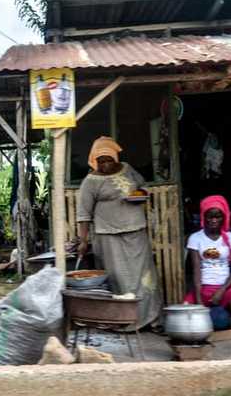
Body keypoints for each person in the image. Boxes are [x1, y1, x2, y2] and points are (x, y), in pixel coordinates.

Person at [76, 136, 163, 330]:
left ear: (116, 158)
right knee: (119, 278)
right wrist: (83, 240)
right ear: (94, 161)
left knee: (144, 276)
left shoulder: (127, 169)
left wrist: (140, 194)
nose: (105, 165)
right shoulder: (90, 182)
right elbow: (83, 214)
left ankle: (150, 317)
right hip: (108, 236)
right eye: (101, 161)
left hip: (135, 231)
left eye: (109, 160)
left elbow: (142, 186)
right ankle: (124, 321)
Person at [184, 195, 231, 352]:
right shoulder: (195, 238)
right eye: (210, 216)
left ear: (224, 217)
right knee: (184, 316)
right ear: (203, 216)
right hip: (203, 287)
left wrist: (221, 291)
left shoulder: (230, 237)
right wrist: (198, 301)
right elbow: (196, 272)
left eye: (218, 216)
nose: (214, 220)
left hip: (226, 287)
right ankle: (192, 352)